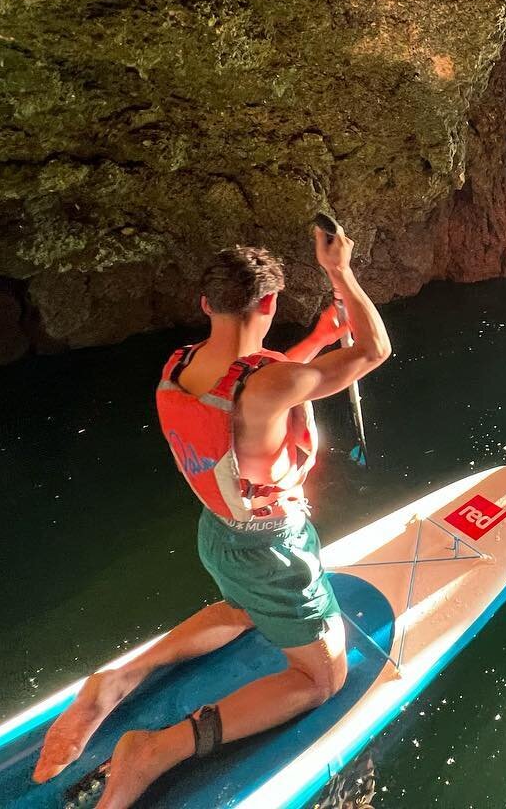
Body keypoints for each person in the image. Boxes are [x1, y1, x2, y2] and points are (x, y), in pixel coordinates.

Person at [33, 225, 391, 808]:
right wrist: (340, 273)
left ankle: (118, 680)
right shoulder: (269, 383)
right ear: (270, 303)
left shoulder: (180, 364)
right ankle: (154, 750)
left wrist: (321, 338)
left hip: (219, 535)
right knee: (322, 680)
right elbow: (373, 352)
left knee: (241, 608)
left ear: (207, 304)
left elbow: (251, 394)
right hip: (272, 551)